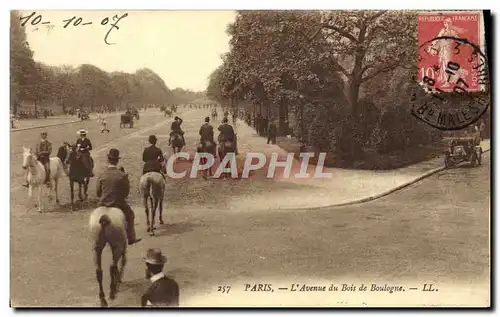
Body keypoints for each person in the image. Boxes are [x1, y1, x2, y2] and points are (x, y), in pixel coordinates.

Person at [96, 148, 142, 246]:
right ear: (117, 160)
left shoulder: (102, 174)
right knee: (130, 215)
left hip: (103, 204)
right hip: (117, 204)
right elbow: (126, 193)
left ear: (108, 160)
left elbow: (98, 193)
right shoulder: (122, 175)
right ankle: (131, 238)